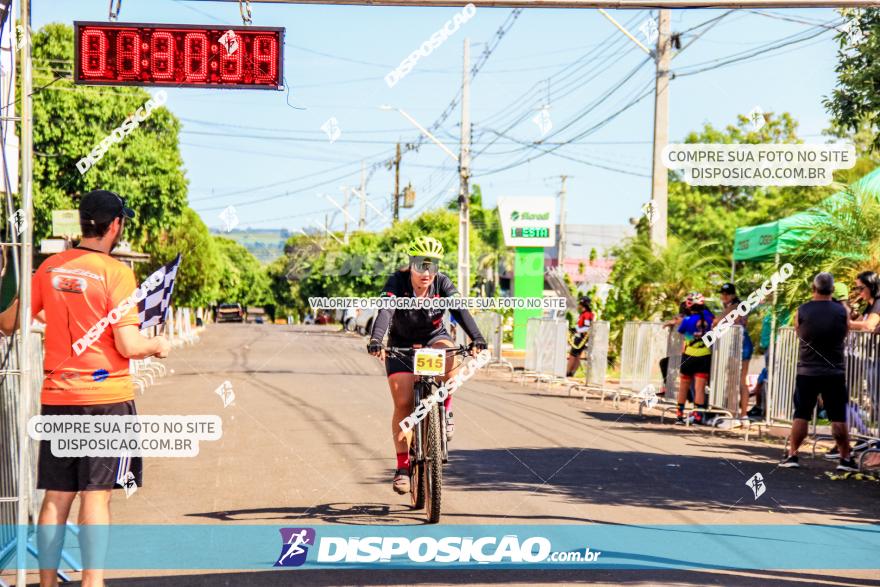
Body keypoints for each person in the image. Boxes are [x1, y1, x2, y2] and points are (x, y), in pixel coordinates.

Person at [0, 190, 171, 587]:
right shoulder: (117, 273)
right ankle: (92, 582)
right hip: (105, 400)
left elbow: (9, 323)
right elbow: (128, 345)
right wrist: (157, 345)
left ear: (83, 223)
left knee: (56, 495)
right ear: (114, 225)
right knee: (96, 496)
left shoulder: (51, 268)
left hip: (59, 398)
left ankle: (46, 583)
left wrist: (18, 278)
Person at [366, 236, 486, 495]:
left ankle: (446, 407)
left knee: (450, 355)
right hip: (401, 343)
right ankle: (402, 468)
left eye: (432, 266)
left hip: (434, 338)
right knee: (403, 403)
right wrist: (377, 339)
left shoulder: (442, 283)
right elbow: (385, 311)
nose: (426, 272)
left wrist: (477, 337)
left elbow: (459, 310)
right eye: (421, 265)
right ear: (410, 264)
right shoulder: (396, 283)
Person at [780, 272, 858, 471]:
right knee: (838, 416)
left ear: (813, 289)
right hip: (834, 371)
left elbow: (798, 332)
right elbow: (845, 332)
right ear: (832, 290)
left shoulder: (803, 310)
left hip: (807, 370)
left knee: (801, 414)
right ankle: (845, 459)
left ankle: (792, 455)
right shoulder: (841, 311)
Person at [715, 283, 754, 423]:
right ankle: (743, 416)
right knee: (741, 380)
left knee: (733, 380)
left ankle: (732, 415)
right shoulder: (740, 305)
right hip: (744, 342)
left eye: (726, 294)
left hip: (737, 344)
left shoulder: (734, 306)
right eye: (722, 293)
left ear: (732, 295)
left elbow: (717, 321)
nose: (723, 296)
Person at [676, 293, 714, 424]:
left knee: (683, 387)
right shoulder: (710, 319)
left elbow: (681, 332)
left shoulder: (687, 320)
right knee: (699, 388)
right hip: (704, 356)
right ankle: (698, 417)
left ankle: (679, 416)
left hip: (688, 356)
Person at [566, 296, 594, 377]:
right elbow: (582, 326)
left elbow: (587, 327)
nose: (578, 304)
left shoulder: (587, 314)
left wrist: (576, 330)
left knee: (572, 355)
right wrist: (574, 329)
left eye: (580, 303)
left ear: (583, 304)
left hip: (581, 338)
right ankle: (571, 373)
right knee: (577, 356)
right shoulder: (584, 314)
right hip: (580, 337)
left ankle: (568, 373)